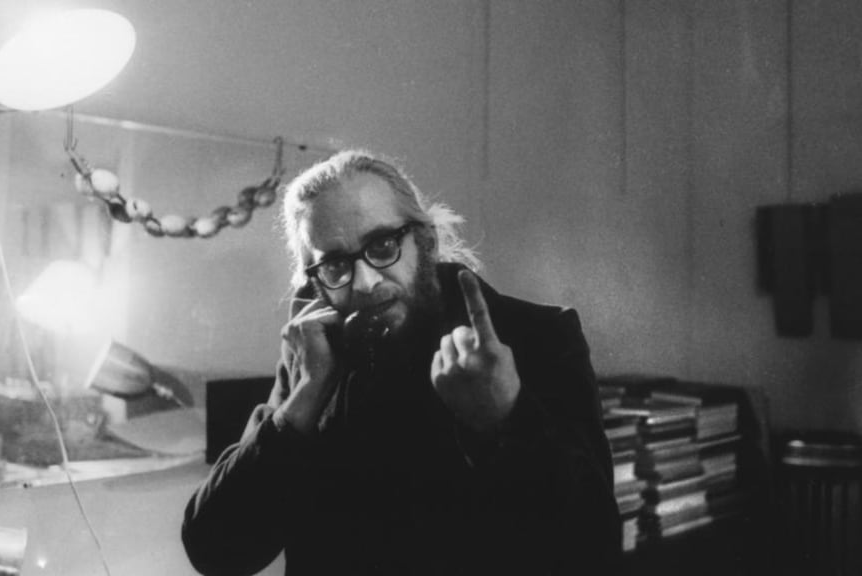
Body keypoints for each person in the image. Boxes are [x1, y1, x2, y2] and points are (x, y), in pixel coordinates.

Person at [181, 150, 620, 575]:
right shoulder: (314, 360)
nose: (367, 281)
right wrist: (303, 400)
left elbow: (592, 552)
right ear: (314, 285)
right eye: (335, 265)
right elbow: (217, 552)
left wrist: (507, 420)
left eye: (383, 244)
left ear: (425, 242)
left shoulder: (534, 336)